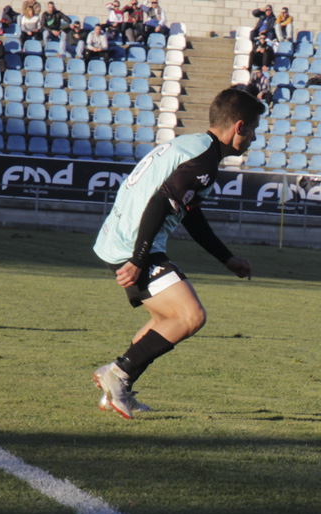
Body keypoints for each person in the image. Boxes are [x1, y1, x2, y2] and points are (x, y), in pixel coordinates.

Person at [90, 88, 263, 419]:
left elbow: (190, 213)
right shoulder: (204, 160)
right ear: (238, 127)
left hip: (126, 238)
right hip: (134, 243)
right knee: (190, 316)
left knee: (164, 320)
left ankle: (117, 382)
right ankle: (117, 374)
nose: (254, 138)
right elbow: (159, 203)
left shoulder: (196, 146)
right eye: (253, 129)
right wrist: (139, 259)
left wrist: (225, 258)